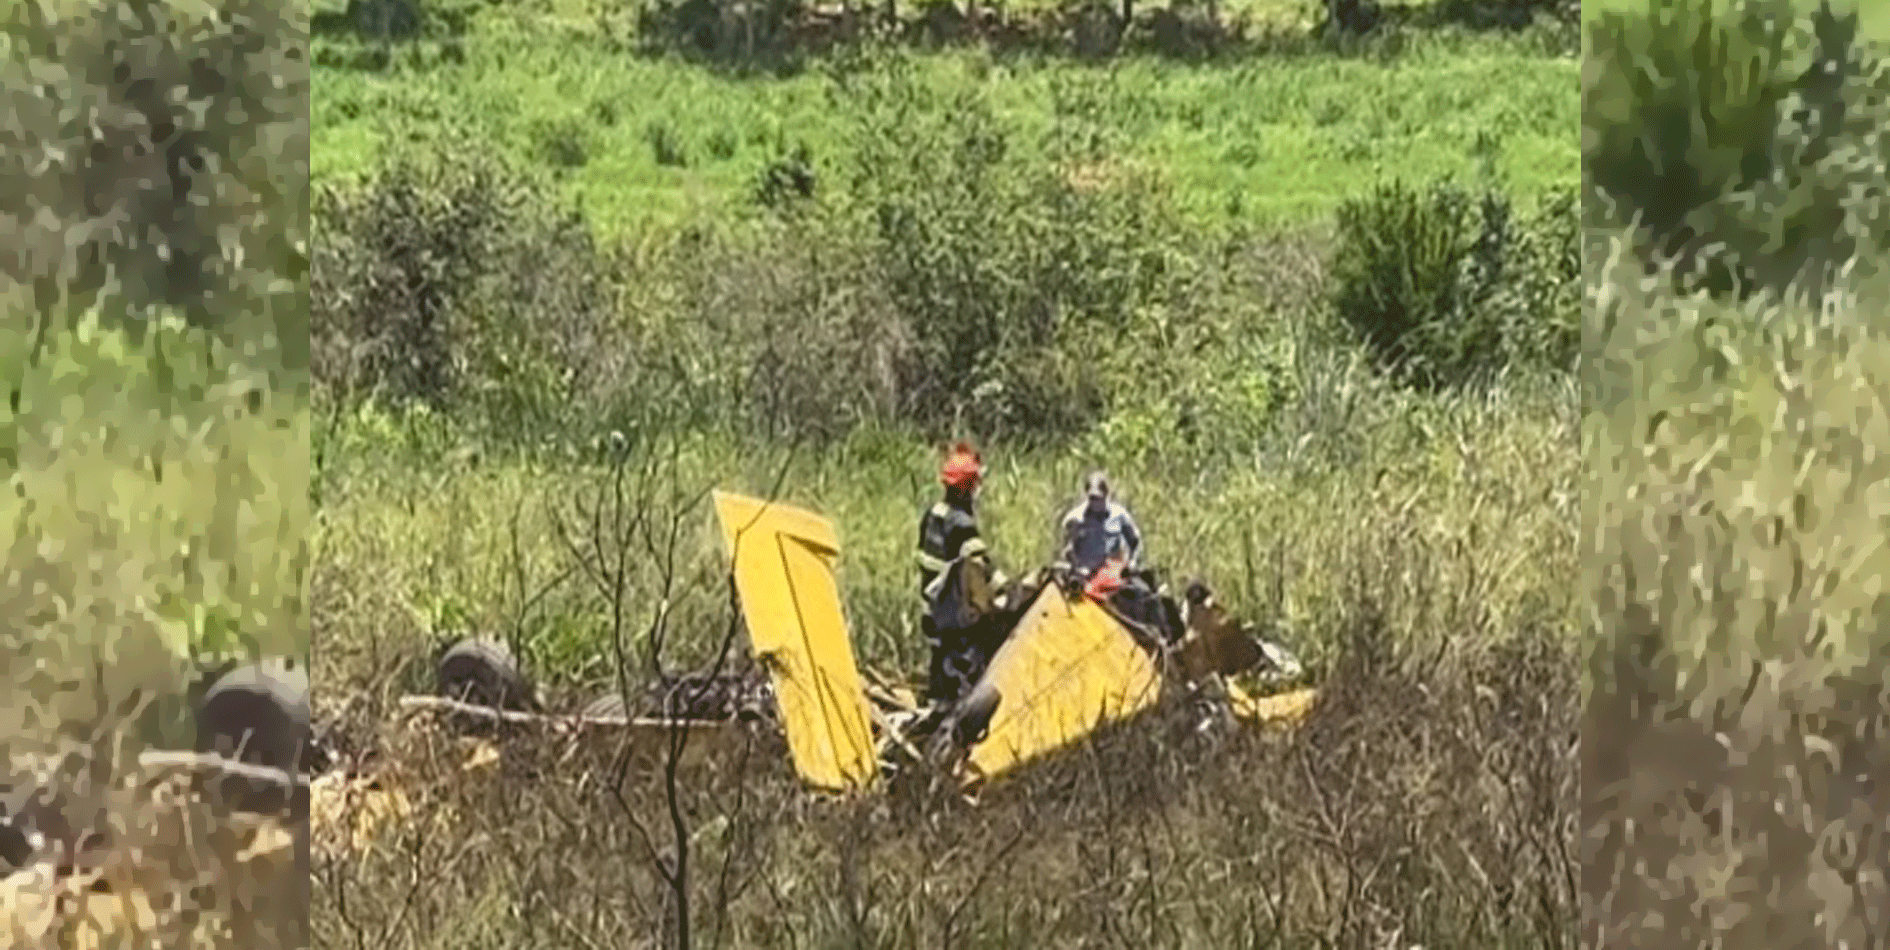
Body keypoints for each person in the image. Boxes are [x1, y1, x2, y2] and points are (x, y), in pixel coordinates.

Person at [915, 441, 1009, 707]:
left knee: (938, 661)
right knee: (971, 656)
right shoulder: (961, 524)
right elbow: (981, 565)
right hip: (951, 612)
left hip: (931, 608)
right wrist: (1004, 593)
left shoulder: (932, 514)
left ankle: (935, 703)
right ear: (968, 488)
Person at [1059, 470, 1145, 582]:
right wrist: (1074, 563)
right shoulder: (1075, 519)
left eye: (1098, 498)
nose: (1095, 502)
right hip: (1083, 577)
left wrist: (1132, 563)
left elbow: (1135, 542)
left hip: (1114, 576)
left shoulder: (1119, 515)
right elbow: (1066, 550)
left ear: (1106, 495)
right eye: (1092, 498)